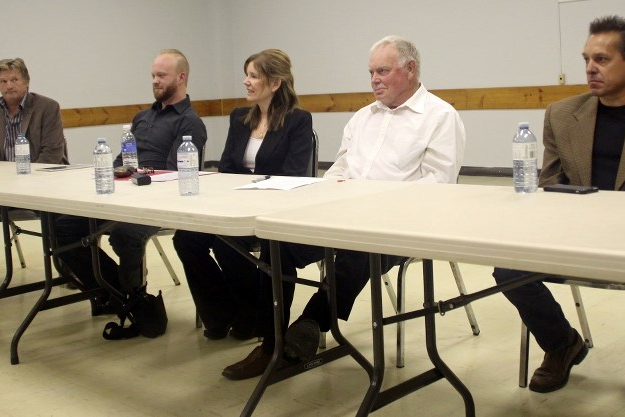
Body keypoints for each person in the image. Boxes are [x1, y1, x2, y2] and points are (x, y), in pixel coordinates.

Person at [222, 35, 466, 380]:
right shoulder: (363, 118)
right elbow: (339, 167)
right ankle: (270, 344)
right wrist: (330, 191)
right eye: (371, 72)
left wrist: (374, 203)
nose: (374, 79)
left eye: (383, 71)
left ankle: (309, 324)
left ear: (410, 70)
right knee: (280, 246)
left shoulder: (440, 117)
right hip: (342, 214)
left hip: (400, 224)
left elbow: (439, 184)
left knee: (358, 251)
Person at [493, 16, 625, 414]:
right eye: (587, 59)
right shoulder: (561, 114)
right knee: (507, 269)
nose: (590, 68)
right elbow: (550, 186)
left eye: (602, 59)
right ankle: (562, 345)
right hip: (576, 233)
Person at [172, 49, 313, 340]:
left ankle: (250, 318)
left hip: (272, 210)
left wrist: (252, 188)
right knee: (185, 239)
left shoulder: (298, 120)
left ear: (275, 83)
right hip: (234, 204)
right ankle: (221, 313)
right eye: (246, 75)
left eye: (253, 76)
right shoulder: (239, 118)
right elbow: (226, 168)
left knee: (227, 244)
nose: (246, 82)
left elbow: (294, 174)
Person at [54, 49, 206, 312]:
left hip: (158, 202)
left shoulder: (189, 122)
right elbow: (121, 160)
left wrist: (136, 175)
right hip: (124, 194)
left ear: (181, 78)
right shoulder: (142, 117)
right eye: (152, 75)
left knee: (126, 234)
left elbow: (174, 175)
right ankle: (115, 292)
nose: (155, 81)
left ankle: (131, 301)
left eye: (161, 75)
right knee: (62, 226)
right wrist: (112, 172)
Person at [0, 58, 67, 295]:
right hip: (2, 191)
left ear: (26, 82)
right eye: (3, 81)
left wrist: (21, 180)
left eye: (14, 79)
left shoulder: (47, 107)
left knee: (63, 213)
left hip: (43, 187)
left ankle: (68, 267)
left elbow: (52, 155)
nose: (9, 85)